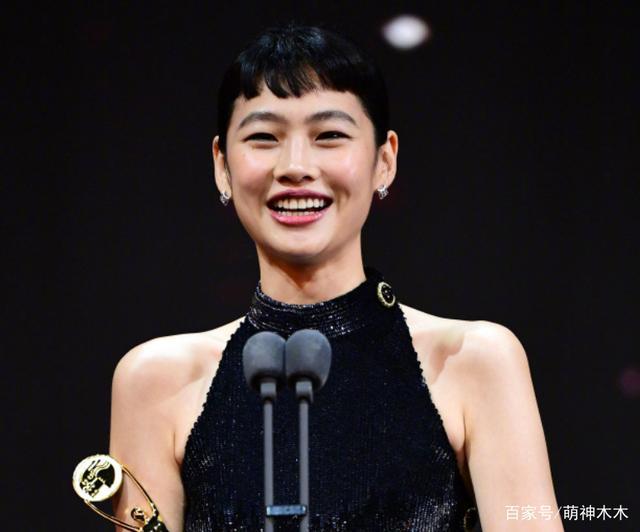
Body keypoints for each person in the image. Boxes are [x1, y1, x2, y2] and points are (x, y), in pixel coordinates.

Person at [110, 24, 562, 532]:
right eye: (263, 138)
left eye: (329, 136)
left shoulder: (472, 362)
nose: (295, 167)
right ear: (222, 166)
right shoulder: (156, 382)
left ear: (384, 161)